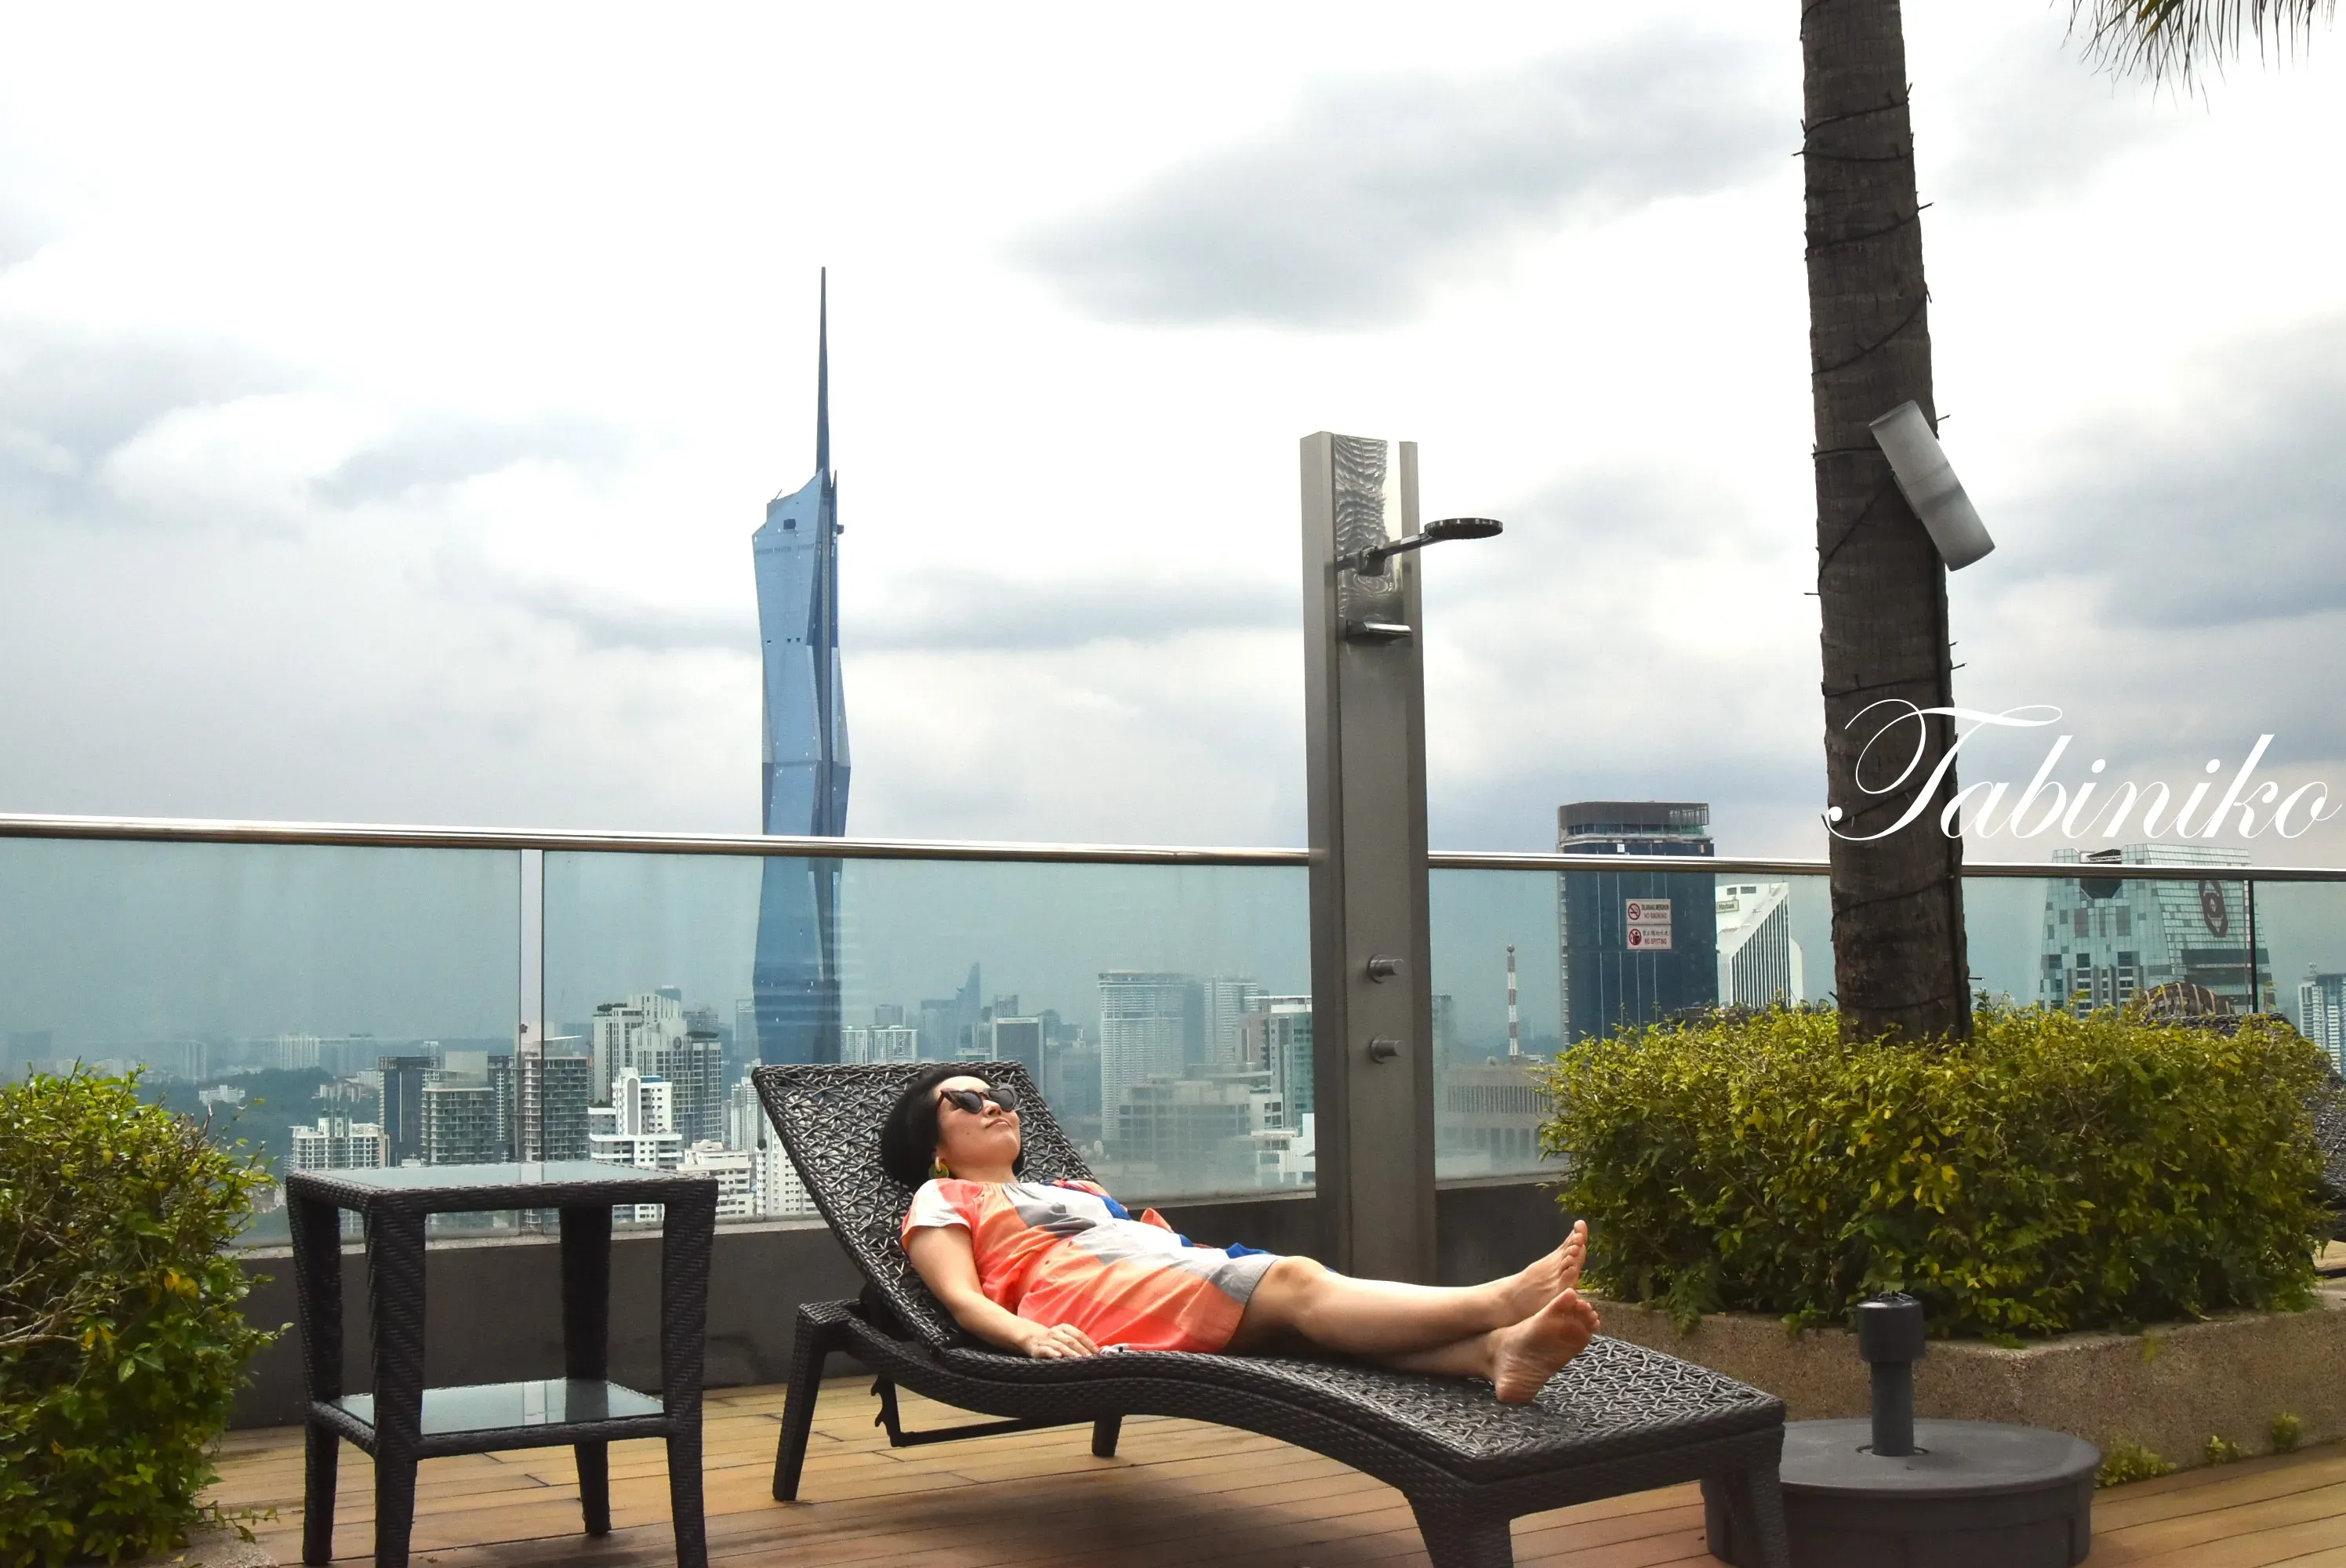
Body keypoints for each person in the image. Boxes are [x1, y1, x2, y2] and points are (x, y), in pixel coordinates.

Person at [881, 1064, 1599, 1403]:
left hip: (1153, 1275)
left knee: (1307, 1324)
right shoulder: (942, 1196)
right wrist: (1029, 1338)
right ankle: (1496, 1301)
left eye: (999, 1095)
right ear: (933, 1146)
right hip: (1087, 1298)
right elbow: (962, 1299)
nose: (994, 1106)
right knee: (1298, 1283)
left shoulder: (1075, 1190)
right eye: (966, 1100)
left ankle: (1493, 1353)